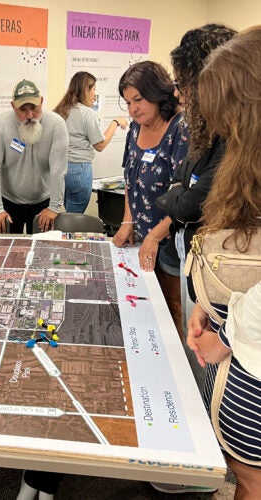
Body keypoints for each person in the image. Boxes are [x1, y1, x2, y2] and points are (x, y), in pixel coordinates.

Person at [186, 25, 261, 499]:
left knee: (252, 477)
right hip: (233, 354)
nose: (222, 130)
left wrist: (227, 331)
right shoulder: (248, 159)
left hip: (250, 362)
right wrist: (207, 306)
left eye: (228, 116)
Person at [149, 25, 237, 400]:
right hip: (202, 272)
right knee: (198, 365)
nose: (180, 95)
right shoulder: (206, 131)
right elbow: (182, 186)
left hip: (230, 292)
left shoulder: (238, 142)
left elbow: (188, 200)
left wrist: (178, 195)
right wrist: (179, 194)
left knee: (213, 379)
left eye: (185, 84)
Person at [112, 61, 189, 338]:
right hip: (142, 238)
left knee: (173, 309)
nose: (133, 109)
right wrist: (127, 220)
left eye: (139, 99)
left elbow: (188, 197)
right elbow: (130, 181)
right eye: (128, 102)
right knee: (146, 306)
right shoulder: (134, 129)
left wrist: (156, 236)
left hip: (172, 241)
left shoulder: (181, 129)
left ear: (158, 93)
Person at [0, 79, 68, 234]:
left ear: (41, 102)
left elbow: (58, 169)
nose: (30, 115)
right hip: (9, 200)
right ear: (13, 106)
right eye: (23, 109)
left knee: (41, 252)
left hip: (43, 200)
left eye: (34, 108)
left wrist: (54, 207)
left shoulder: (56, 125)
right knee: (8, 251)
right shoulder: (0, 126)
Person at [53, 71, 128, 213]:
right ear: (85, 90)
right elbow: (100, 145)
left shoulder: (60, 111)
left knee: (68, 213)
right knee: (74, 217)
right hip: (79, 172)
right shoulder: (86, 113)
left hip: (61, 169)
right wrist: (115, 122)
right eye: (93, 90)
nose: (95, 95)